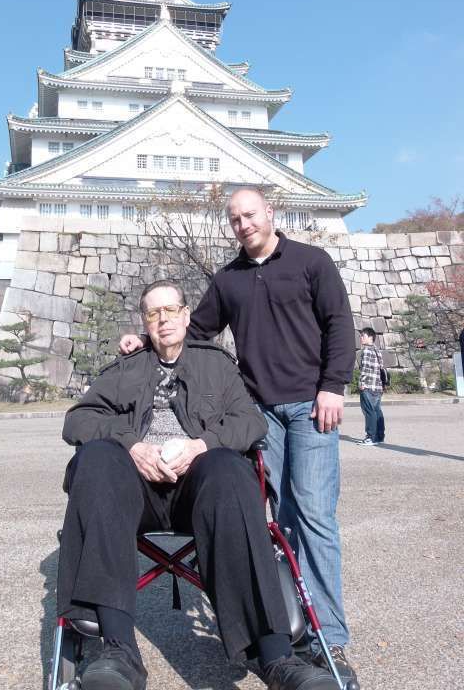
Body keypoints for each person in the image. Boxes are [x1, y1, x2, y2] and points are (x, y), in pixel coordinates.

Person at [120, 189, 358, 686]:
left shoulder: (313, 262)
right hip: (258, 412)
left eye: (250, 214)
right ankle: (286, 624)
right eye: (235, 218)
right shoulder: (228, 280)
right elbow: (196, 329)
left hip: (312, 404)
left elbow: (340, 325)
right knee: (273, 520)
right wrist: (146, 338)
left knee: (313, 514)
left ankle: (326, 639)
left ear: (271, 213)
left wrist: (332, 386)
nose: (243, 224)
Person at [58, 279, 340, 690]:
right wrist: (132, 446)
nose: (163, 319)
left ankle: (277, 657)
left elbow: (250, 422)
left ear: (187, 316)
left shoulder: (217, 365)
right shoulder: (126, 368)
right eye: (154, 313)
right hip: (134, 490)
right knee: (97, 458)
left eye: (171, 310)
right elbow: (76, 420)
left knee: (229, 470)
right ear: (144, 322)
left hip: (199, 488)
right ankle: (117, 650)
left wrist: (201, 445)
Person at [357, 327, 385, 445]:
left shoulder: (366, 351)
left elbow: (365, 369)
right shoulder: (377, 350)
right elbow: (381, 368)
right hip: (378, 386)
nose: (361, 338)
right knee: (377, 411)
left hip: (368, 385)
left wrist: (361, 383)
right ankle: (379, 436)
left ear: (370, 337)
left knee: (369, 411)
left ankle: (371, 437)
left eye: (363, 336)